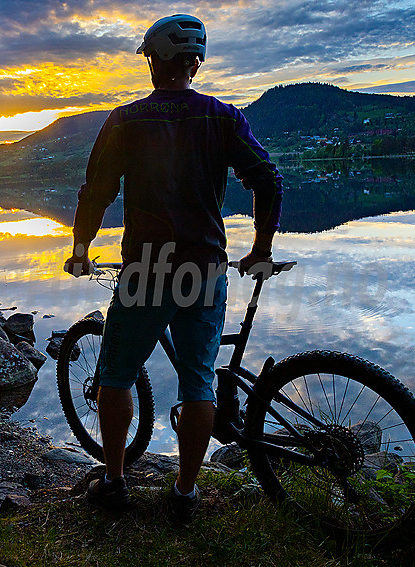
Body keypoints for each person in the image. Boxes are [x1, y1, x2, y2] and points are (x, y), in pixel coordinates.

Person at [63, 14, 283, 522]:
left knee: (115, 375)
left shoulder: (125, 120)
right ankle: (185, 494)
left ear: (154, 62)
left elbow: (97, 191)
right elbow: (267, 181)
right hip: (205, 268)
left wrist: (80, 247)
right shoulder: (222, 117)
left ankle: (115, 482)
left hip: (146, 269)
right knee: (198, 383)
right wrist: (261, 248)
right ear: (194, 64)